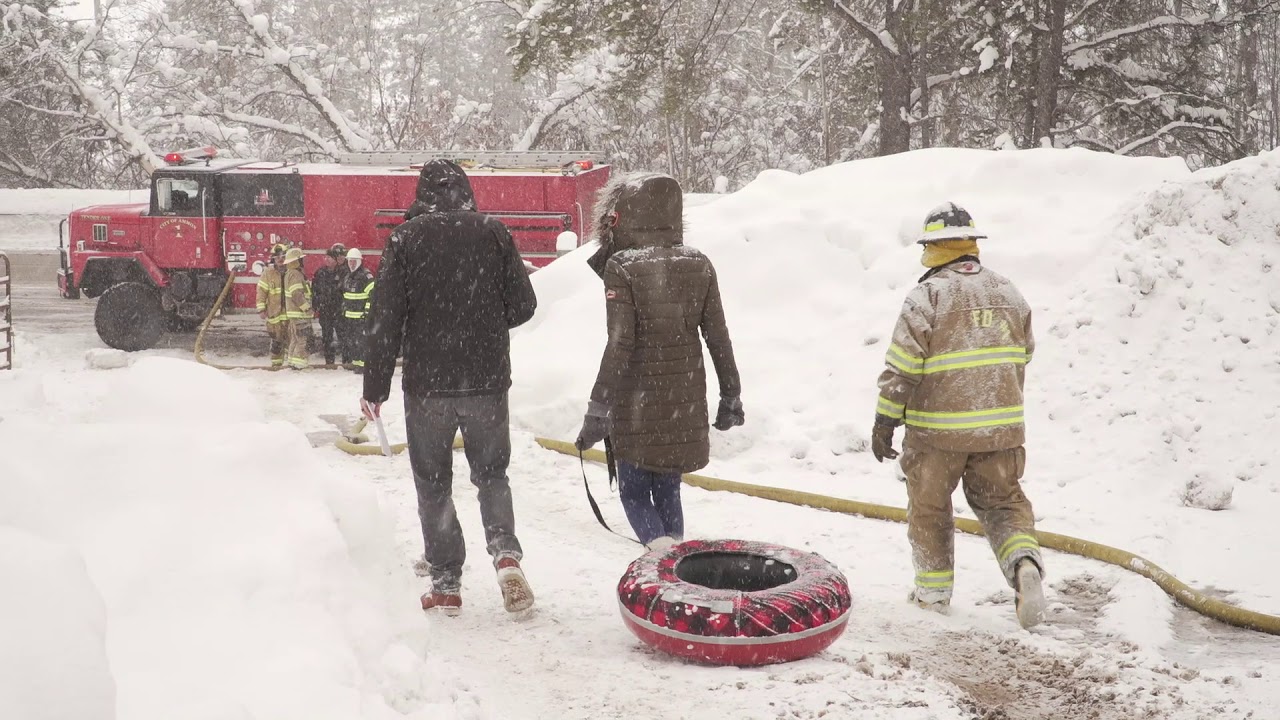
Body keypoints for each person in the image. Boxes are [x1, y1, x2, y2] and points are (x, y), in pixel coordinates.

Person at [361, 159, 538, 616]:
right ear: (466, 190)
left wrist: (375, 387)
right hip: (486, 381)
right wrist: (482, 322)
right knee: (492, 475)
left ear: (422, 194)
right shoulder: (493, 232)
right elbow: (524, 305)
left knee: (433, 482)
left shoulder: (405, 239)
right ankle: (504, 554)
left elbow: (385, 320)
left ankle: (446, 583)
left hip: (428, 386)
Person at [870, 201, 1046, 629]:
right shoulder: (1009, 291)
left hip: (937, 435)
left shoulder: (927, 295)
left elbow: (903, 368)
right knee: (1003, 504)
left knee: (930, 509)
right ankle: (1024, 563)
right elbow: (1025, 352)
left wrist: (885, 420)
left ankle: (932, 594)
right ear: (971, 245)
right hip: (1000, 432)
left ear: (932, 248)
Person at [573, 172, 743, 552]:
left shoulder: (624, 267)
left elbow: (619, 345)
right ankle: (676, 565)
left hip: (637, 405)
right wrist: (731, 395)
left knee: (634, 494)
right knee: (669, 488)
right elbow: (718, 337)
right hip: (682, 403)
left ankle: (663, 560)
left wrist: (598, 410)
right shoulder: (698, 263)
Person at [312, 243, 349, 366]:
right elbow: (315, 291)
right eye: (325, 257)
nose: (326, 259)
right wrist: (315, 306)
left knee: (343, 335)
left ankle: (347, 360)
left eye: (329, 257)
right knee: (327, 336)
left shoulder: (343, 272)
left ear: (335, 260)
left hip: (339, 310)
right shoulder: (320, 273)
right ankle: (329, 361)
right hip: (325, 310)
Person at [341, 248, 375, 373]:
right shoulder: (348, 276)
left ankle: (363, 365)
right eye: (350, 261)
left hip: (361, 316)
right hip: (349, 316)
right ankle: (355, 363)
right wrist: (343, 309)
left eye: (354, 261)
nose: (351, 264)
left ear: (359, 261)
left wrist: (367, 312)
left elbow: (373, 296)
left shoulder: (366, 276)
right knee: (352, 341)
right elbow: (345, 295)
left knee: (362, 342)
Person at [254, 244, 288, 369]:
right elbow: (261, 291)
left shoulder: (292, 271)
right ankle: (276, 365)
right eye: (277, 256)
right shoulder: (268, 274)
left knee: (291, 342)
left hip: (290, 314)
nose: (280, 259)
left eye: (283, 256)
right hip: (275, 315)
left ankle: (291, 366)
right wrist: (261, 309)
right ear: (273, 258)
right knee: (276, 342)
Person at [282, 247, 313, 370]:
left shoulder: (289, 274)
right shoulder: (295, 275)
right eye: (300, 259)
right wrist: (306, 308)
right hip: (299, 314)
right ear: (296, 261)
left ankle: (292, 362)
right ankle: (300, 365)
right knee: (303, 339)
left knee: (295, 339)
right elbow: (296, 294)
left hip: (294, 314)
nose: (302, 262)